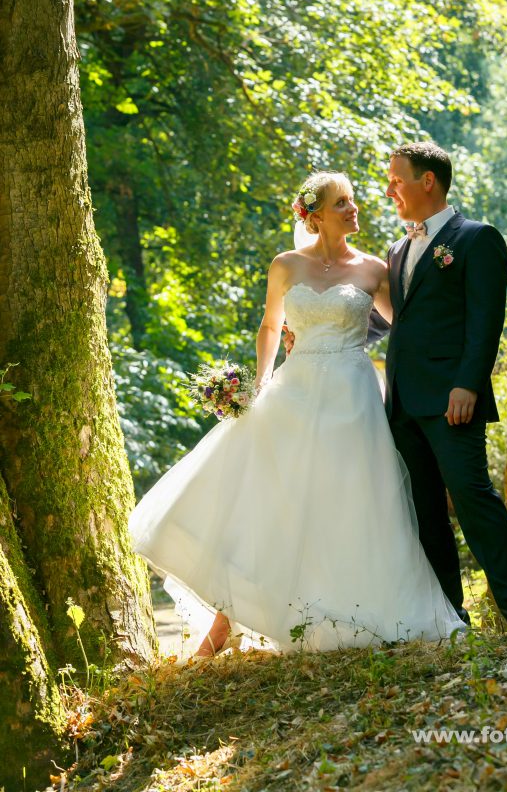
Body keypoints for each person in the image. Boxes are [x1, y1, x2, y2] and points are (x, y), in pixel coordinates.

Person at [128, 171, 466, 656]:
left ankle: (349, 613)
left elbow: (405, 328)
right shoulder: (285, 266)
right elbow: (270, 326)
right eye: (342, 203)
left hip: (353, 395)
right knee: (277, 498)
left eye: (352, 202)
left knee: (351, 501)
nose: (354, 209)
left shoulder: (373, 270)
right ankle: (227, 624)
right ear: (316, 215)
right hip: (297, 388)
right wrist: (262, 381)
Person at [382, 142, 507, 638]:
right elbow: (397, 322)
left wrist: (468, 383)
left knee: (473, 498)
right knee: (425, 511)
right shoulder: (397, 249)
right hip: (403, 402)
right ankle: (450, 618)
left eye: (396, 180)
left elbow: (485, 320)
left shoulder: (477, 238)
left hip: (453, 399)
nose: (390, 191)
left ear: (427, 181)